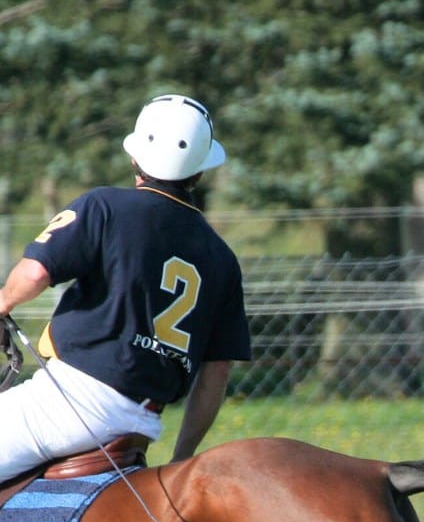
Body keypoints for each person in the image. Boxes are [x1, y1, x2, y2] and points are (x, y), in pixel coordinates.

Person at [0, 93, 251, 479]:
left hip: (72, 403)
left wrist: (3, 302)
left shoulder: (104, 205)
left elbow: (34, 275)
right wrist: (182, 457)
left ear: (135, 158)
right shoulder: (223, 258)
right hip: (143, 423)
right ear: (200, 172)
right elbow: (217, 372)